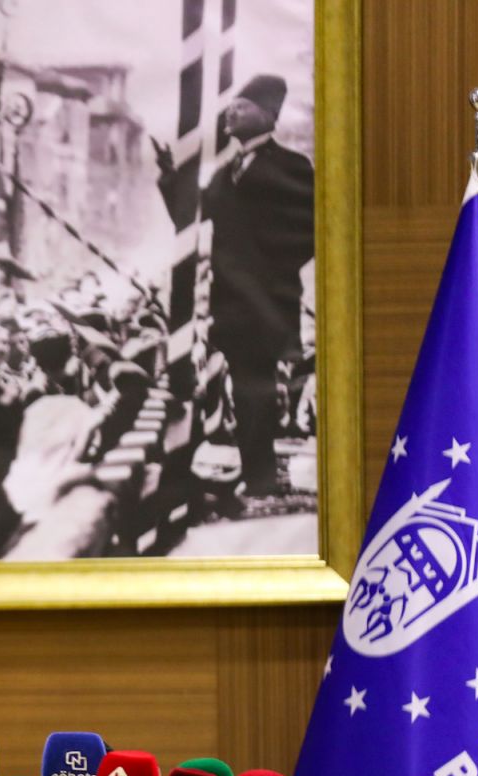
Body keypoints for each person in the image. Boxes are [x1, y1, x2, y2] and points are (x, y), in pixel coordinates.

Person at [155, 73, 314, 497]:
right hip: (228, 302)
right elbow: (191, 219)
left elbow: (310, 233)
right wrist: (171, 178)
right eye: (230, 107)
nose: (230, 113)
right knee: (232, 387)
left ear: (267, 115)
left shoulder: (293, 168)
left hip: (266, 301)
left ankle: (260, 476)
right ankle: (246, 472)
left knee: (254, 388)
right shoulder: (225, 172)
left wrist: (267, 272)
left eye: (240, 107)